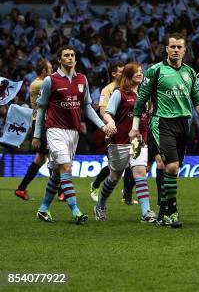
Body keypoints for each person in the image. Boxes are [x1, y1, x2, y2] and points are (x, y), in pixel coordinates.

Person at [129, 33, 199, 229]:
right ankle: (172, 211)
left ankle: (163, 212)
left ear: (184, 50)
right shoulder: (155, 71)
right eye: (172, 46)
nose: (176, 50)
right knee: (172, 166)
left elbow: (198, 100)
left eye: (179, 47)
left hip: (184, 123)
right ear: (166, 49)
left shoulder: (190, 73)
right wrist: (134, 128)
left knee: (172, 169)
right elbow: (141, 99)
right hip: (162, 122)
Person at [34, 45, 114, 223]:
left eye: (72, 55)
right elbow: (41, 108)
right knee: (66, 168)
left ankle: (43, 209)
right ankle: (75, 210)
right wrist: (37, 135)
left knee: (57, 173)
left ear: (76, 59)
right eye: (66, 55)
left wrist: (102, 126)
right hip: (55, 130)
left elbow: (86, 106)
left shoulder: (82, 79)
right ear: (60, 60)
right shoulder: (50, 80)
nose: (70, 58)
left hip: (73, 133)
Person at [95, 62, 157, 223]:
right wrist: (111, 123)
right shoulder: (119, 93)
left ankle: (146, 212)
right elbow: (107, 113)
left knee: (140, 173)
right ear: (128, 75)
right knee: (114, 177)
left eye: (141, 71)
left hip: (137, 141)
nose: (140, 73)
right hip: (119, 141)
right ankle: (100, 205)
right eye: (136, 71)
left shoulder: (146, 94)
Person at [15, 59, 63, 201]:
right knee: (51, 157)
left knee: (41, 158)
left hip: (43, 122)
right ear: (44, 71)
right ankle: (61, 191)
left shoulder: (39, 83)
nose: (52, 70)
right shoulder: (39, 84)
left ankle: (21, 189)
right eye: (50, 68)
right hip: (42, 123)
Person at [90, 61, 136, 205]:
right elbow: (103, 111)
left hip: (131, 132)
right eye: (121, 71)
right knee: (114, 166)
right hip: (113, 131)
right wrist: (111, 125)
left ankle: (126, 195)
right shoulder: (107, 90)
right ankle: (96, 184)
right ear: (114, 74)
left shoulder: (132, 89)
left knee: (133, 162)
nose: (124, 74)